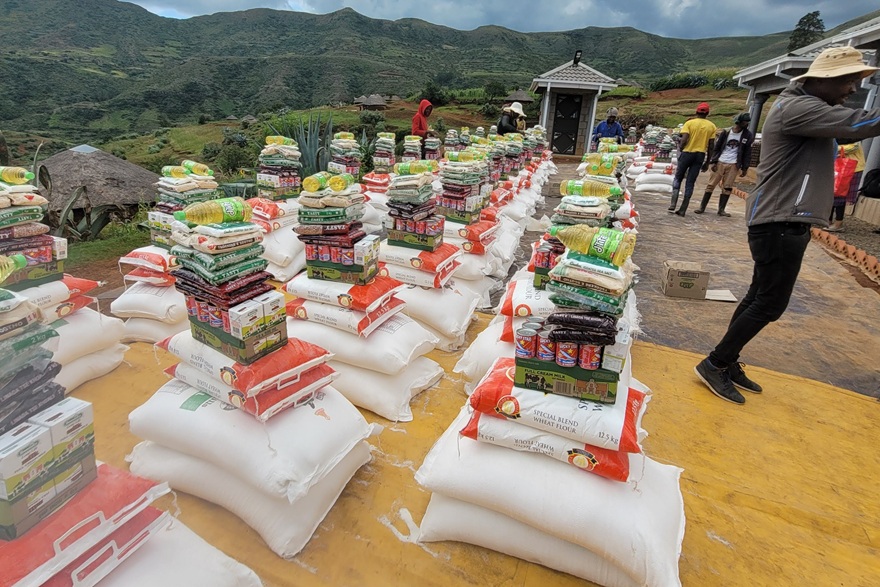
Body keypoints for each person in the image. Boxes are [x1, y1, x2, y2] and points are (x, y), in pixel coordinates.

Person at [694, 46, 880, 405]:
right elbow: (861, 124)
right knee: (770, 303)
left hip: (782, 218)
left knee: (758, 296)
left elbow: (847, 132)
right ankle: (715, 363)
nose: (852, 90)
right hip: (781, 219)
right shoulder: (799, 108)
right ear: (824, 79)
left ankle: (725, 361)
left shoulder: (807, 109)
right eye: (849, 81)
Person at [695, 112, 754, 216]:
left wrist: (745, 167)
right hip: (720, 162)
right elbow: (717, 147)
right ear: (738, 122)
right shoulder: (726, 132)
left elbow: (747, 153)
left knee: (727, 187)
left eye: (747, 122)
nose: (746, 124)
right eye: (745, 122)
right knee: (711, 185)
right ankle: (702, 207)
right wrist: (714, 162)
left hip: (734, 164)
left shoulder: (747, 135)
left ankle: (721, 210)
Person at [668, 103, 717, 216]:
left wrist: (681, 148)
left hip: (687, 153)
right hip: (700, 155)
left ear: (696, 112)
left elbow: (684, 139)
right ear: (707, 113)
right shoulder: (712, 126)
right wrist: (707, 162)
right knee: (690, 182)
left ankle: (673, 203)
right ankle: (683, 209)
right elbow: (711, 146)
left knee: (678, 177)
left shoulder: (689, 123)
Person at [827, 141, 865, 231]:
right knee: (830, 193)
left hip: (851, 167)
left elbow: (854, 147)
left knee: (840, 194)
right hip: (837, 166)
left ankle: (838, 223)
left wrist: (835, 148)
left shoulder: (854, 135)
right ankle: (828, 220)